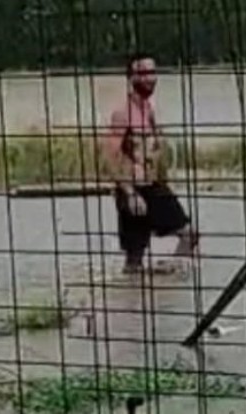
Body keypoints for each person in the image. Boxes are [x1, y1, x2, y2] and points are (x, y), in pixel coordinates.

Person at [101, 53, 198, 275]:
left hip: (153, 187)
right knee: (134, 259)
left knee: (189, 234)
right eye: (143, 73)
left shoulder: (148, 110)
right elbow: (109, 156)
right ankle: (144, 288)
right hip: (133, 190)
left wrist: (165, 178)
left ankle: (165, 280)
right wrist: (129, 193)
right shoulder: (122, 113)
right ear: (131, 77)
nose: (150, 78)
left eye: (153, 72)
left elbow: (156, 152)